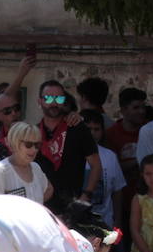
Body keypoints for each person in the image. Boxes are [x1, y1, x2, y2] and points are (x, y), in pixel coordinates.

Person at [34, 81, 102, 210]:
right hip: (41, 207)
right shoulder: (34, 132)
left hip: (71, 207)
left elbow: (96, 165)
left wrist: (85, 196)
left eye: (59, 98)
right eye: (48, 98)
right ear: (40, 101)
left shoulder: (77, 127)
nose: (54, 103)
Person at [75, 109, 127, 230]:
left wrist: (117, 220)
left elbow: (117, 191)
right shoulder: (70, 153)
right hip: (76, 223)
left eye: (96, 129)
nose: (92, 133)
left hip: (104, 223)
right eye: (88, 129)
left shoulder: (110, 156)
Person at [0, 122, 51, 203]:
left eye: (37, 145)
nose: (34, 149)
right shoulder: (1, 170)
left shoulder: (36, 168)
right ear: (15, 143)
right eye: (28, 144)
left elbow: (49, 189)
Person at [106, 86, 148, 181]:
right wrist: (139, 160)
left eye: (143, 107)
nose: (142, 111)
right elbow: (112, 168)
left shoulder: (151, 130)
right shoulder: (111, 134)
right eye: (136, 107)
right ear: (123, 110)